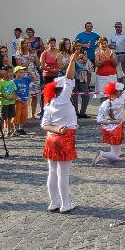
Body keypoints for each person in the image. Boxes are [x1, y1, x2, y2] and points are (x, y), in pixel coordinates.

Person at [40, 54, 79, 213]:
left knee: (52, 171)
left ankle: (53, 202)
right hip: (65, 137)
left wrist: (55, 130)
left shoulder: (49, 104)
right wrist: (71, 61)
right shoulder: (64, 98)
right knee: (63, 173)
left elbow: (44, 125)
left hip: (51, 138)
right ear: (61, 89)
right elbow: (69, 77)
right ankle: (65, 204)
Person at [93, 72, 125, 166]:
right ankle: (102, 154)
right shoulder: (121, 100)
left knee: (117, 151)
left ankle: (116, 152)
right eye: (120, 90)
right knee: (116, 157)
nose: (121, 91)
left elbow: (99, 120)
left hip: (107, 129)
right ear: (118, 92)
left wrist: (110, 121)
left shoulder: (104, 104)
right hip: (116, 129)